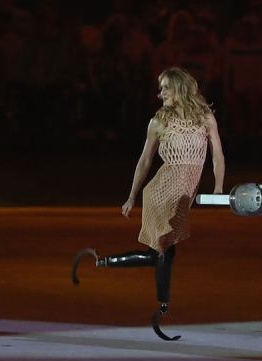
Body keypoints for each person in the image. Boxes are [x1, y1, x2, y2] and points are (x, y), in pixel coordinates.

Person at [72, 67, 225, 340]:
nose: (160, 93)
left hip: (184, 194)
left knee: (162, 254)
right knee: (165, 249)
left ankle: (103, 262)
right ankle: (162, 306)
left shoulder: (205, 117)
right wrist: (132, 196)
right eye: (160, 88)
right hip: (162, 192)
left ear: (179, 89)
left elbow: (217, 157)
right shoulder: (158, 121)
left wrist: (218, 189)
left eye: (166, 88)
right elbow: (144, 161)